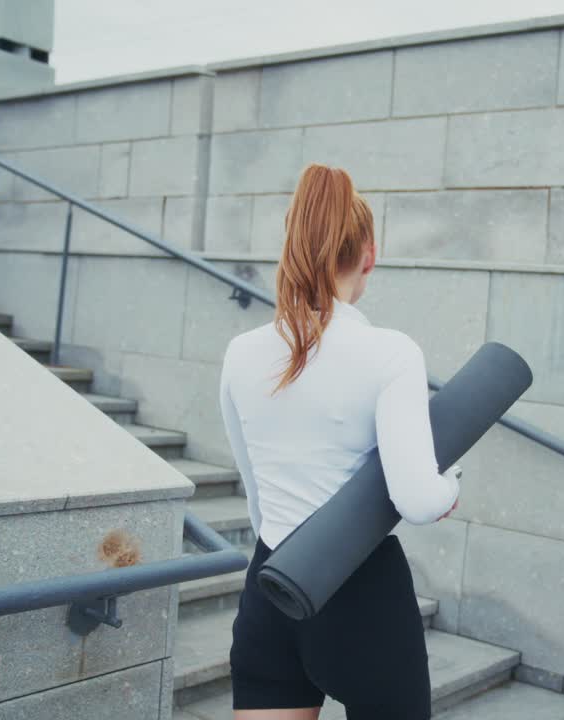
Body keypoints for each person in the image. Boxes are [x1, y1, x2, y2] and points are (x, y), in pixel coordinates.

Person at [218, 163, 462, 720]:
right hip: (363, 601)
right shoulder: (391, 352)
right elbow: (419, 500)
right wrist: (451, 487)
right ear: (369, 254)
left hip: (273, 584)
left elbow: (256, 493)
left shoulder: (241, 353)